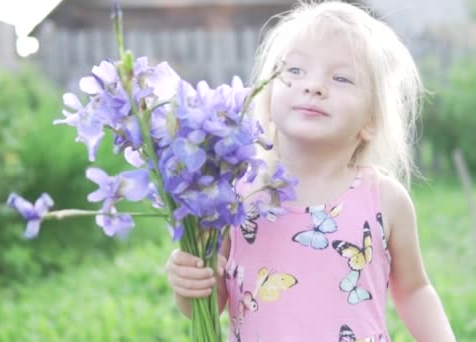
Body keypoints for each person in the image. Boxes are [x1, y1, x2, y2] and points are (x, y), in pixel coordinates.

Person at [165, 1, 456, 341]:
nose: (314, 86)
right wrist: (192, 282)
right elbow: (208, 305)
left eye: (342, 78)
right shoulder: (236, 194)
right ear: (267, 97)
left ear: (371, 120)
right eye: (295, 71)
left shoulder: (383, 199)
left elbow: (414, 290)